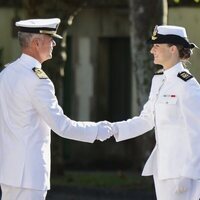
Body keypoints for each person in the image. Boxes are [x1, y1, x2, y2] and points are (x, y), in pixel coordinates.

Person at [0, 18, 112, 200]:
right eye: (50, 38)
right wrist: (98, 130)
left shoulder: (6, 73)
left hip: (8, 172)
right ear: (36, 43)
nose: (54, 43)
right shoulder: (38, 81)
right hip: (29, 175)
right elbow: (62, 126)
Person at [111, 25, 200, 200]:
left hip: (181, 174)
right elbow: (147, 119)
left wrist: (189, 173)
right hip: (162, 170)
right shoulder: (159, 80)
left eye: (157, 46)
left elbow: (198, 132)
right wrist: (113, 129)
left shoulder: (188, 86)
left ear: (173, 49)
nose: (152, 50)